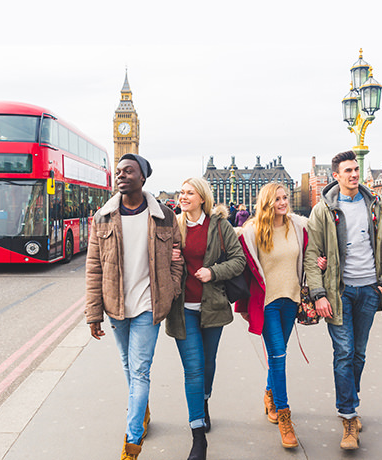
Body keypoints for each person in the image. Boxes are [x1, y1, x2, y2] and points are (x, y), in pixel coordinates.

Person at [85, 154, 183, 460]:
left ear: (143, 177)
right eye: (118, 171)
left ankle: (133, 442)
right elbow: (93, 268)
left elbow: (177, 258)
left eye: (129, 171)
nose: (121, 175)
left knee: (140, 371)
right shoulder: (102, 217)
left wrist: (171, 289)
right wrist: (93, 313)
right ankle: (142, 411)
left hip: (147, 307)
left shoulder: (165, 215)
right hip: (116, 308)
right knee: (129, 366)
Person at [303, 150, 382, 450]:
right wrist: (318, 294)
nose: (354, 175)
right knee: (343, 353)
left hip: (369, 289)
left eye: (356, 169)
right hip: (339, 293)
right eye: (348, 171)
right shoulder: (323, 210)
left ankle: (350, 401)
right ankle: (348, 417)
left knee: (358, 354)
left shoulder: (376, 205)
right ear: (336, 176)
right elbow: (311, 254)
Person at [165, 177, 246, 460]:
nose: (183, 196)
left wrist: (214, 272)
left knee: (208, 365)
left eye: (190, 192)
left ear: (202, 198)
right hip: (182, 308)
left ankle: (205, 400)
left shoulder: (220, 226)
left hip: (212, 307)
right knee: (194, 369)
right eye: (182, 192)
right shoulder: (173, 225)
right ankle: (198, 436)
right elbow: (156, 259)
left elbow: (239, 260)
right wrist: (169, 256)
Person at [233, 182, 308, 449]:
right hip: (267, 303)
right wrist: (243, 306)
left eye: (285, 197)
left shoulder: (298, 226)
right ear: (267, 202)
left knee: (280, 353)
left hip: (291, 300)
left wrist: (319, 262)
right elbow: (242, 268)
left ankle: (269, 393)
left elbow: (310, 255)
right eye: (277, 199)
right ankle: (285, 415)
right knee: (278, 355)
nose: (283, 202)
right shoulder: (252, 232)